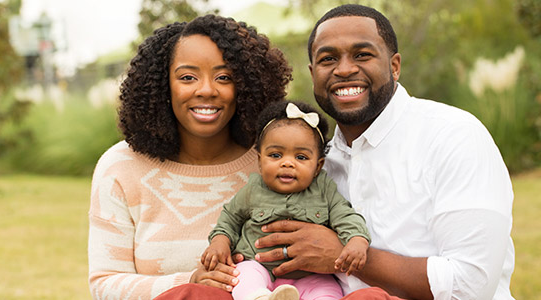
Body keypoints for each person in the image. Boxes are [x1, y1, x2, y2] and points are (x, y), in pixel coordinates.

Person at [250, 4, 515, 300]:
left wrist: (343, 254)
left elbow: (469, 286)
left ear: (394, 65)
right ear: (313, 74)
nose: (345, 69)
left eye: (362, 55)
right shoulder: (313, 163)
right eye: (328, 59)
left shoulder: (452, 135)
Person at [87, 14, 292, 299]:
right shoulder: (120, 168)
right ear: (163, 85)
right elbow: (104, 284)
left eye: (224, 77)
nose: (206, 89)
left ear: (245, 86)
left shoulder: (274, 163)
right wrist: (190, 283)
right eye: (187, 77)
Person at [202, 101, 370, 300]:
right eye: (275, 155)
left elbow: (346, 215)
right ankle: (260, 298)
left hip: (310, 275)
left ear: (318, 166)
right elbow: (230, 218)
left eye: (301, 157)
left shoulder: (324, 190)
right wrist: (220, 241)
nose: (287, 163)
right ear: (259, 161)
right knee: (242, 277)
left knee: (327, 290)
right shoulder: (253, 190)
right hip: (259, 266)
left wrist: (357, 240)